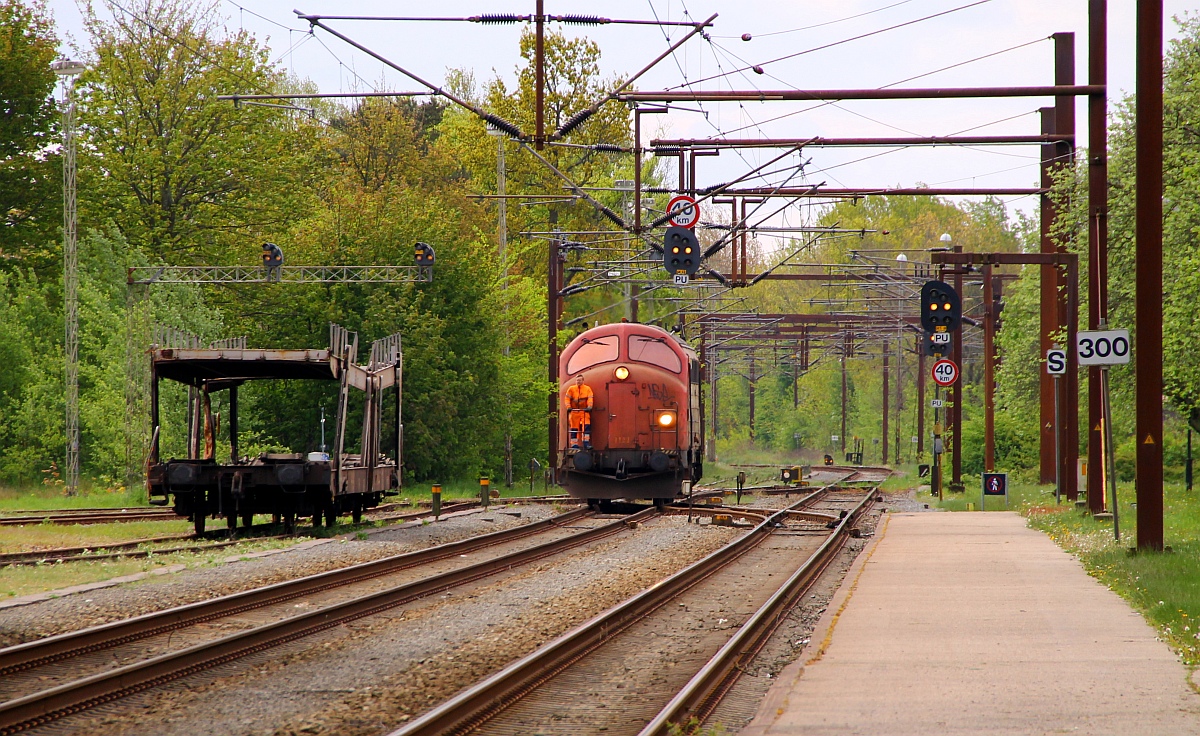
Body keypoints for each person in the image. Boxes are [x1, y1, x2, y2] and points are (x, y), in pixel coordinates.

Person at [564, 375, 594, 449]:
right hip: (574, 411)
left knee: (586, 425)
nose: (578, 382)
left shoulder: (587, 389)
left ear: (583, 381)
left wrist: (589, 407)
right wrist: (568, 407)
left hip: (584, 411)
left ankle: (586, 443)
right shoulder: (571, 389)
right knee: (574, 428)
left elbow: (590, 398)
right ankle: (574, 444)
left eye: (580, 380)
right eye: (577, 380)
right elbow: (567, 399)